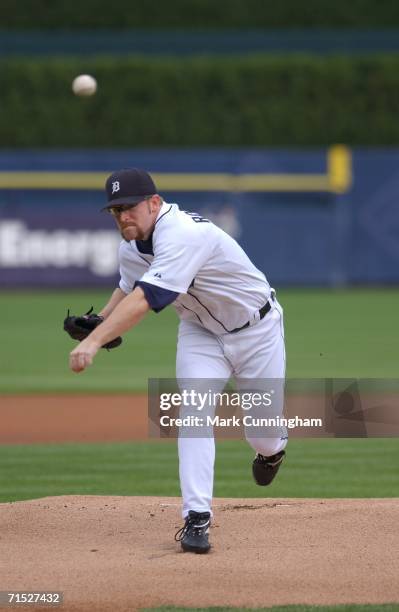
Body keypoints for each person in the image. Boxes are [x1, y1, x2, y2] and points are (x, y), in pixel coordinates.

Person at [69, 168, 287, 554]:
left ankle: (272, 450)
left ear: (155, 203)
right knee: (193, 412)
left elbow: (145, 299)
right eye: (115, 210)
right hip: (201, 333)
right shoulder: (132, 245)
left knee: (263, 433)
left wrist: (95, 341)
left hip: (257, 331)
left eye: (130, 207)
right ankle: (197, 517)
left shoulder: (182, 233)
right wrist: (100, 320)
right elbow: (127, 288)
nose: (123, 216)